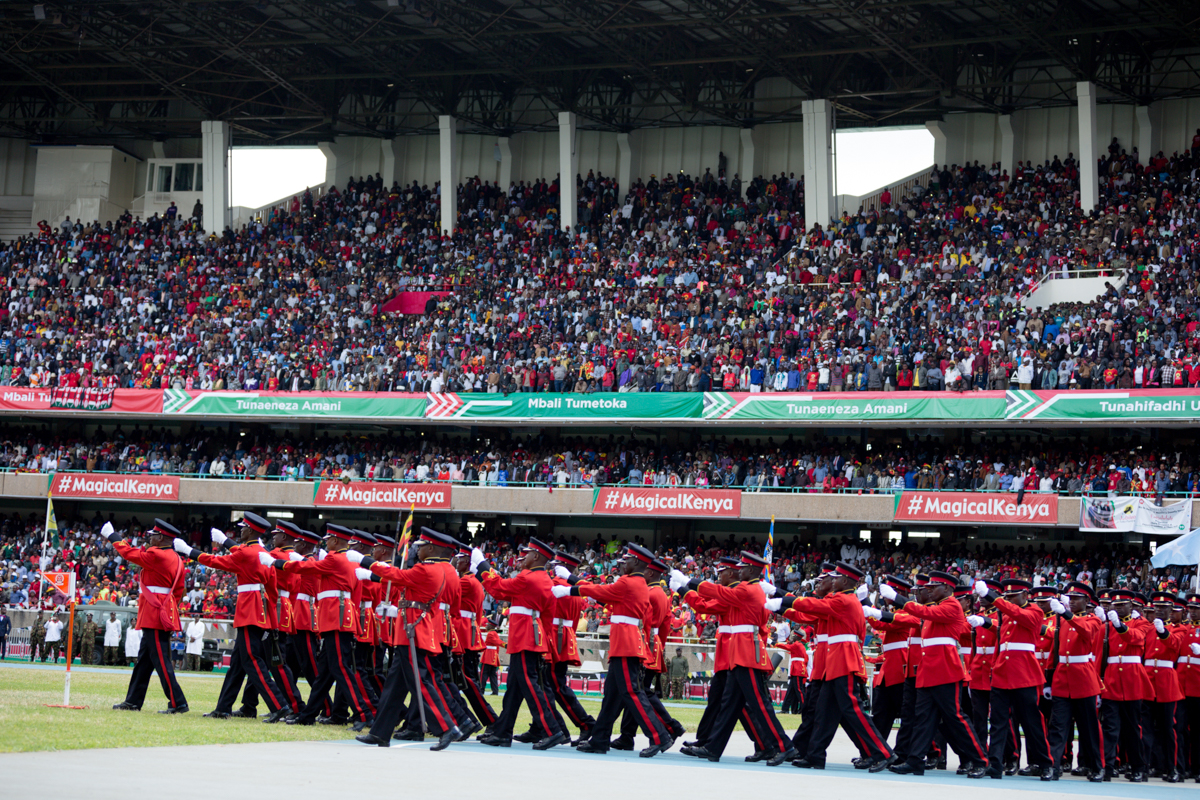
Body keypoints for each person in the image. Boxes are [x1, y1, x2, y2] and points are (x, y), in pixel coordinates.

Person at [347, 526, 462, 750]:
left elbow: (397, 575)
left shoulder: (427, 570)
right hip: (409, 628)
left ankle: (447, 727)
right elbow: (400, 581)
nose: (416, 551)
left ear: (430, 548)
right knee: (394, 686)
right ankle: (380, 732)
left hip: (413, 630)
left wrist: (365, 561)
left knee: (421, 682)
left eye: (419, 547)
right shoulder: (436, 569)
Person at [777, 561, 894, 771]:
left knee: (853, 710)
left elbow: (813, 606)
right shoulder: (842, 598)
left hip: (843, 659)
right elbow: (812, 611)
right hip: (835, 660)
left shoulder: (844, 599)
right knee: (824, 711)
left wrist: (782, 597)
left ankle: (883, 753)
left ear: (847, 580)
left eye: (837, 578)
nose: (833, 581)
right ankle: (815, 755)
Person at [559, 543, 672, 758]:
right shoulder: (636, 583)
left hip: (626, 644)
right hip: (625, 642)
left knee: (632, 693)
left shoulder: (629, 582)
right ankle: (600, 739)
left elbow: (601, 591)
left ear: (636, 562)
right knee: (611, 696)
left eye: (626, 560)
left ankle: (660, 736)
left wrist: (570, 588)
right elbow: (605, 595)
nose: (622, 564)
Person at [174, 512, 288, 722]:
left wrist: (189, 551)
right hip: (259, 610)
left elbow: (216, 561)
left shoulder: (247, 552)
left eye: (243, 527)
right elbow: (272, 588)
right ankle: (223, 707)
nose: (240, 530)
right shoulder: (261, 552)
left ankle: (279, 705)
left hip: (249, 610)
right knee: (237, 664)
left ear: (251, 531)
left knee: (251, 660)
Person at [875, 570, 988, 777]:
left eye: (933, 587)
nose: (929, 590)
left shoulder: (952, 605)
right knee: (923, 718)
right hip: (928, 671)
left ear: (947, 588)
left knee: (955, 718)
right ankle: (915, 760)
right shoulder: (937, 607)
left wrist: (897, 598)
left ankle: (980, 760)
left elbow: (925, 614)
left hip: (946, 671)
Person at [264, 524, 374, 728]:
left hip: (336, 618)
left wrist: (277, 563)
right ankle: (308, 714)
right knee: (325, 672)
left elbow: (308, 568)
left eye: (329, 539)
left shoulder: (334, 559)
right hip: (341, 617)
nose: (326, 542)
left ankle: (364, 713)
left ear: (335, 541)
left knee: (340, 668)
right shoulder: (349, 562)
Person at [473, 537, 566, 749]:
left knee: (530, 686)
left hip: (524, 636)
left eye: (527, 554)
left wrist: (483, 566)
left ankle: (552, 730)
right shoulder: (543, 579)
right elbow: (548, 616)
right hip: (529, 635)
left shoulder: (528, 577)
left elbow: (497, 588)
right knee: (514, 689)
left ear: (537, 557)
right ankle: (502, 732)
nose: (522, 558)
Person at [969, 577, 1054, 779]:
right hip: (1003, 672)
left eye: (1013, 596)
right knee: (998, 722)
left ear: (1025, 595)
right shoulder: (1006, 613)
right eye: (1007, 596)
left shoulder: (1035, 611)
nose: (1009, 599)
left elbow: (1018, 615)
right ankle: (996, 764)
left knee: (1031, 722)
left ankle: (1045, 763)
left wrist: (992, 596)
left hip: (1024, 673)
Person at [103, 519, 189, 714]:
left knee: (161, 660)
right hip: (162, 610)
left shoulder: (156, 554)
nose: (149, 538)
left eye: (152, 535)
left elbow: (129, 553)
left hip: (153, 612)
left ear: (160, 537)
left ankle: (178, 702)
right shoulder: (176, 557)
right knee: (144, 661)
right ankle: (133, 700)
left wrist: (112, 536)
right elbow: (179, 591)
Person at [1042, 581, 1105, 782]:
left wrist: (1066, 614)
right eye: (1071, 599)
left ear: (1087, 601)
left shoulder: (1093, 619)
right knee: (1058, 727)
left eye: (1077, 599)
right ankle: (1053, 766)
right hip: (1062, 678)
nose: (1073, 602)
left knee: (1088, 728)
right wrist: (1049, 681)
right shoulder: (1061, 621)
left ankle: (1096, 766)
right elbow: (1055, 650)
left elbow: (1086, 632)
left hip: (1083, 679)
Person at [1098, 588, 1149, 782]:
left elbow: (1136, 638)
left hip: (1132, 679)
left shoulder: (1141, 623)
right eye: (1115, 605)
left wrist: (1119, 626)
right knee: (1110, 727)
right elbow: (1100, 654)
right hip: (1111, 680)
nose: (1118, 608)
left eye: (1122, 605)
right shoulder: (1107, 626)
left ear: (1131, 605)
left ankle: (1138, 766)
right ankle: (1108, 766)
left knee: (1132, 727)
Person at [450, 540, 497, 727]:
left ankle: (489, 720)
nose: (455, 561)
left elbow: (446, 591)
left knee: (467, 682)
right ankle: (469, 719)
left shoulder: (467, 581)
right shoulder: (471, 581)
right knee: (461, 681)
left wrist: (448, 569)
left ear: (468, 562)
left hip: (463, 636)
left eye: (459, 559)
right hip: (466, 633)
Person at [777, 632, 808, 715]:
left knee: (799, 690)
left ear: (797, 637)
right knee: (790, 691)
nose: (792, 637)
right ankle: (785, 709)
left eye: (793, 636)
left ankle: (805, 708)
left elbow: (787, 647)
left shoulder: (797, 644)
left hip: (798, 670)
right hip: (796, 669)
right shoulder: (798, 645)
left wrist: (776, 643)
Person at [481, 620, 503, 695]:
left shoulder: (490, 633)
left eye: (488, 625)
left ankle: (481, 690)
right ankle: (495, 691)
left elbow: (497, 642)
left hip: (488, 656)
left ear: (491, 626)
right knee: (493, 675)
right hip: (493, 656)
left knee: (484, 674)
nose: (486, 626)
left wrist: (504, 644)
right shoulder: (495, 633)